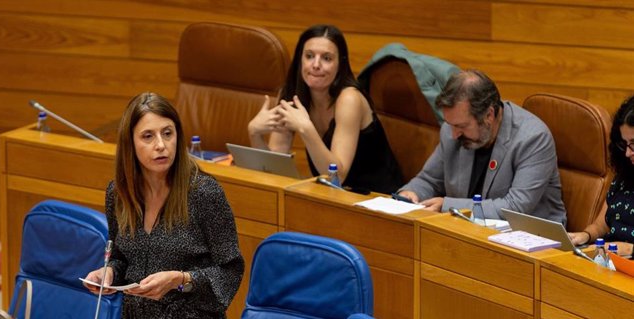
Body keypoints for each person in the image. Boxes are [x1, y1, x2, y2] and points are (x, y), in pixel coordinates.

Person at [82, 92, 244, 319]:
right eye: (148, 136)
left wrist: (181, 279)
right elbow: (125, 255)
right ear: (130, 145)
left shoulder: (204, 194)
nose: (161, 146)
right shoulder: (119, 194)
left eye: (168, 134)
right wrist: (109, 272)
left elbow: (230, 270)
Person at [248, 24, 403, 194]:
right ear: (300, 59)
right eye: (309, 56)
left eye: (327, 58)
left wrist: (306, 128)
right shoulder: (291, 94)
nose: (315, 65)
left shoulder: (350, 99)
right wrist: (255, 134)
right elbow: (274, 170)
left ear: (340, 64)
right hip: (332, 197)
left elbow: (337, 177)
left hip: (378, 200)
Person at [396, 69, 567, 224]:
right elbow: (430, 180)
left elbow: (516, 207)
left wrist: (447, 205)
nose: (454, 134)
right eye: (451, 124)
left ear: (489, 115)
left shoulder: (533, 138)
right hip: (470, 232)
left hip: (533, 240)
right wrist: (412, 193)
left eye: (462, 126)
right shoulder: (452, 130)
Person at [568, 95, 634, 256]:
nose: (627, 152)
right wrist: (585, 235)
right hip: (609, 261)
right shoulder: (625, 175)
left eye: (633, 144)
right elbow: (601, 225)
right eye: (625, 144)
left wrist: (630, 249)